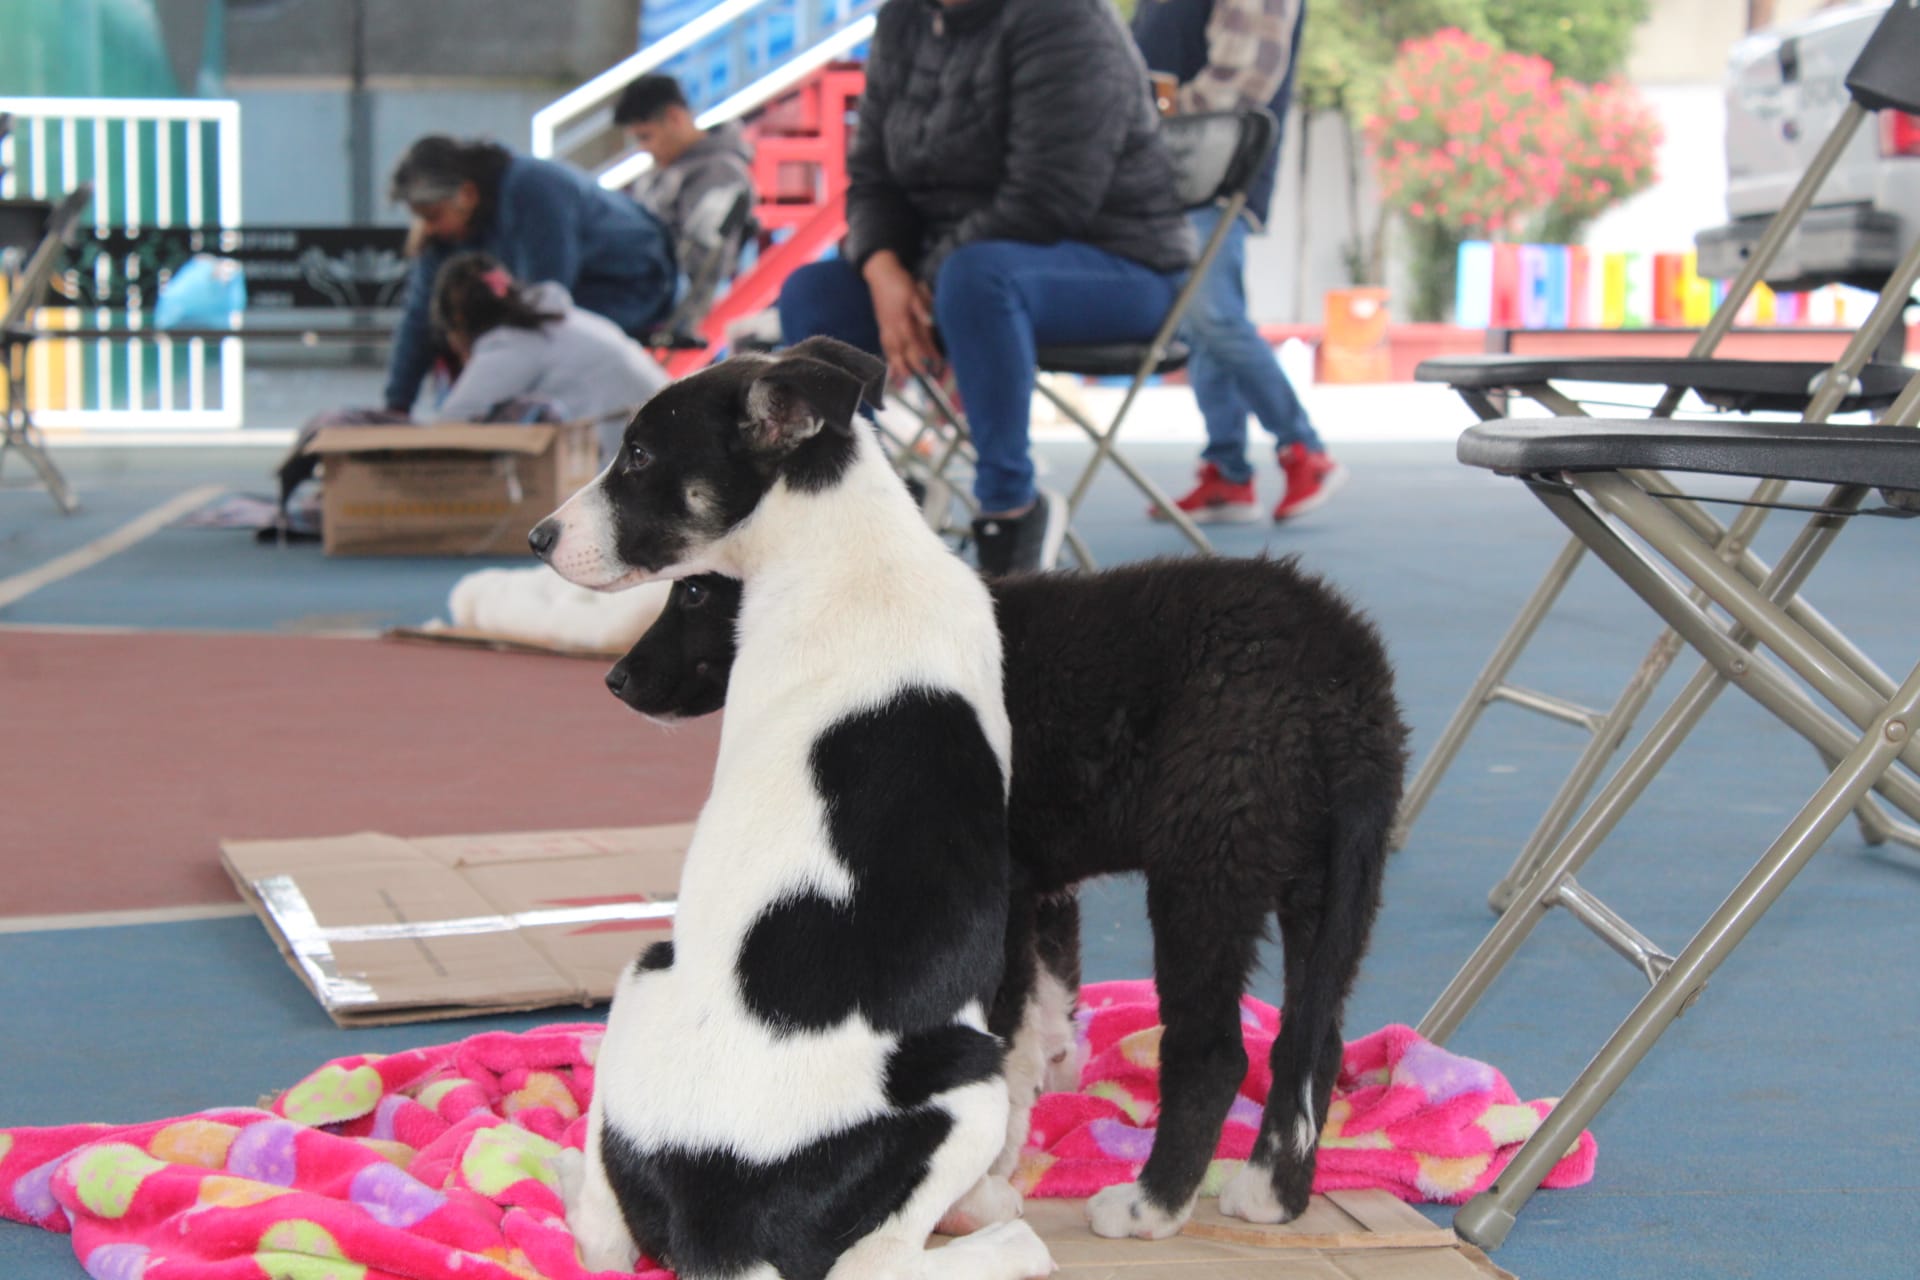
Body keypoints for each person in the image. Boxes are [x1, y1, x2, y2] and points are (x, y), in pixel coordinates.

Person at [776, 0, 1195, 576]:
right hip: (955, 273)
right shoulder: (903, 18)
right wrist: (880, 269)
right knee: (813, 293)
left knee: (975, 278)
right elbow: (872, 176)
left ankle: (1011, 510)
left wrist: (918, 283)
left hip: (1118, 267)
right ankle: (872, 501)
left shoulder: (1066, 18)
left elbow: (1051, 195)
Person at [1134, 0, 1346, 524]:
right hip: (1175, 172)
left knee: (1213, 317)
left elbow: (1242, 80)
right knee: (1202, 324)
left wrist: (1138, 120)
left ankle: (1305, 450)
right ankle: (1227, 473)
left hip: (1213, 169)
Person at [383, 135, 677, 418]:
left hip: (631, 285)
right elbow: (419, 317)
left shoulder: (533, 187)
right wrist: (397, 405)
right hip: (558, 295)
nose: (429, 228)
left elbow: (539, 312)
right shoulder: (442, 236)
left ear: (468, 194)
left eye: (433, 216)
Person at [430, 253, 669, 458]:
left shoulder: (512, 343)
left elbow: (449, 428)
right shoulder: (564, 321)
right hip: (663, 444)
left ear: (458, 323)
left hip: (641, 462)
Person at [613, 73, 756, 290]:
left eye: (645, 136)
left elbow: (706, 268)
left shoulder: (719, 172)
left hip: (670, 305)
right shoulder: (662, 171)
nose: (642, 148)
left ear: (674, 118)